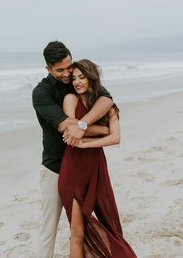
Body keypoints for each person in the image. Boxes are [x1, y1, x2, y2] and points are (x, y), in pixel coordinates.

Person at [32, 42, 113, 258]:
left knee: (84, 226)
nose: (68, 73)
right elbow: (66, 126)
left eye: (69, 66)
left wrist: (84, 124)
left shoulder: (76, 79)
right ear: (48, 69)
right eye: (60, 70)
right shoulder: (41, 93)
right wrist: (104, 129)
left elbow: (106, 99)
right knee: (48, 229)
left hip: (83, 166)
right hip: (55, 168)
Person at [58, 59, 138, 258]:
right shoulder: (70, 99)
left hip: (96, 169)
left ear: (91, 78)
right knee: (77, 233)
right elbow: (72, 129)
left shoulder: (106, 105)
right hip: (73, 169)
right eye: (74, 78)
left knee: (110, 223)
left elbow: (115, 138)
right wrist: (103, 130)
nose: (77, 82)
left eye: (82, 77)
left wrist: (86, 142)